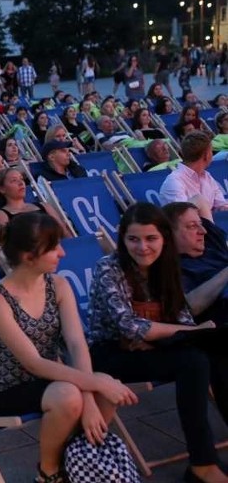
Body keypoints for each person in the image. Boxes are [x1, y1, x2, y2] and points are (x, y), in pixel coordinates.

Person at [0, 212, 137, 483]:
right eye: (53, 248)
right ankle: (48, 472)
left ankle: (77, 460)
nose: (62, 253)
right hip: (5, 389)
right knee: (72, 394)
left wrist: (91, 396)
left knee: (103, 388)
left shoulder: (58, 285)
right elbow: (34, 363)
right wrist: (93, 386)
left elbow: (76, 344)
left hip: (53, 380)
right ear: (29, 257)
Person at [88, 203, 228, 483]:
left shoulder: (166, 266)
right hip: (113, 352)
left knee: (219, 349)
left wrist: (176, 333)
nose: (142, 247)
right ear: (123, 239)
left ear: (163, 238)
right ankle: (202, 464)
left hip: (158, 344)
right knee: (195, 361)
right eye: (133, 239)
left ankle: (203, 462)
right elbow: (128, 326)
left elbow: (183, 316)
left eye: (151, 238)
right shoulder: (110, 268)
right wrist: (180, 332)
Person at [164, 202, 228, 325]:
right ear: (169, 234)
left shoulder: (212, 245)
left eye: (201, 225)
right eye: (192, 226)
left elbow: (199, 199)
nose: (203, 231)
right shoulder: (171, 267)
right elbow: (189, 308)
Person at [159, 131, 228, 215]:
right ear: (206, 155)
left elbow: (221, 205)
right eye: (211, 151)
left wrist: (222, 208)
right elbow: (185, 219)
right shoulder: (174, 182)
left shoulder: (207, 177)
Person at [0, 167, 71, 237]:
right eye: (14, 180)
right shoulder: (1, 215)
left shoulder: (44, 206)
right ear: (2, 189)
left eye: (21, 179)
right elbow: (5, 246)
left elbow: (64, 232)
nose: (21, 183)